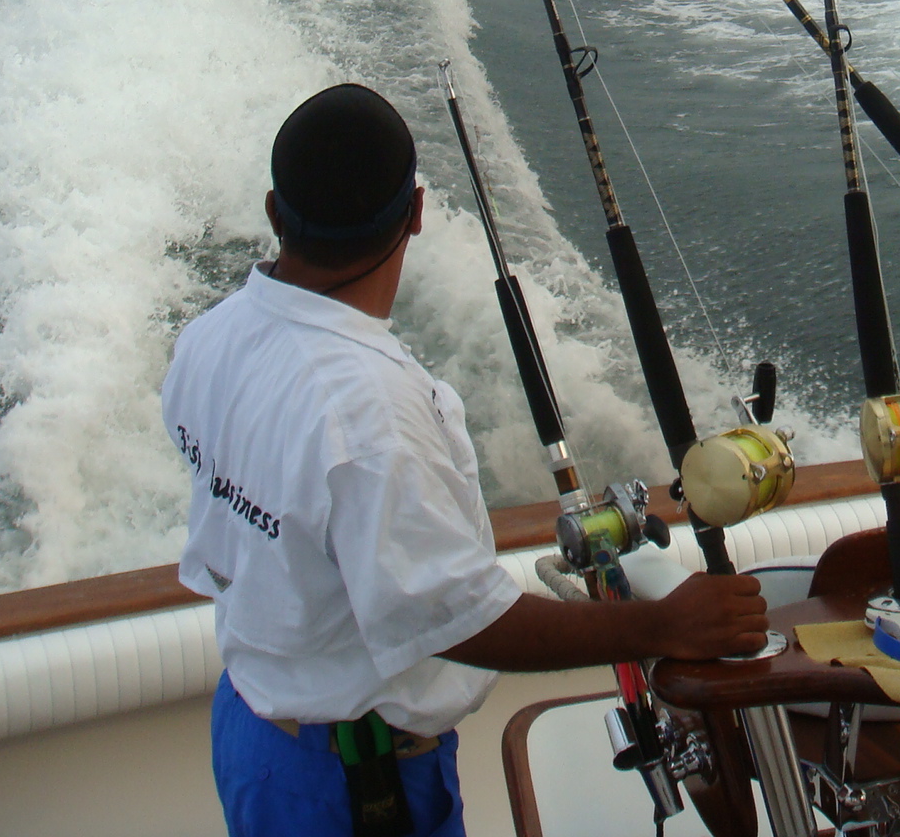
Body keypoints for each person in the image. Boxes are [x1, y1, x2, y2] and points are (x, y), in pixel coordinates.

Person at [161, 84, 767, 836]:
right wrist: (664, 626)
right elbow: (462, 622)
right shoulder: (372, 414)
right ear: (416, 213)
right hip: (354, 782)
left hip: (253, 730)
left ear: (274, 212)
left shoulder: (207, 340)